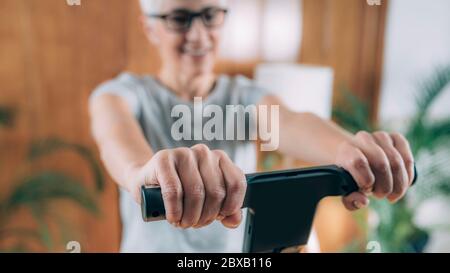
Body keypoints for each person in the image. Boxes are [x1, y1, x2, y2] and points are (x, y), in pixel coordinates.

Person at [89, 0, 415, 252]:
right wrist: (138, 173)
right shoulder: (122, 94)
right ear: (149, 28)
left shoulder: (245, 97)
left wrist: (350, 151)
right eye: (179, 19)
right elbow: (115, 136)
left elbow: (288, 122)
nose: (199, 34)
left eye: (210, 15)